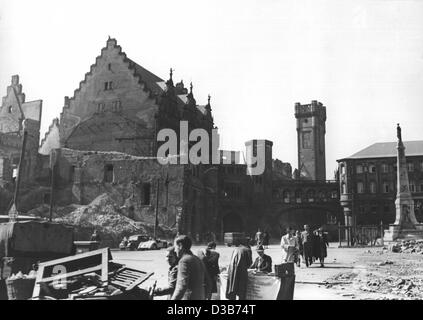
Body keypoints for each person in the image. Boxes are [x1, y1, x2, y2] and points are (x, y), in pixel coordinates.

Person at [171, 235, 206, 300]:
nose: (175, 251)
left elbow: (181, 287)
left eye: (175, 247)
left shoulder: (184, 261)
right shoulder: (197, 259)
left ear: (180, 246)